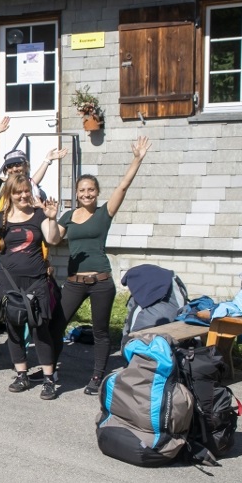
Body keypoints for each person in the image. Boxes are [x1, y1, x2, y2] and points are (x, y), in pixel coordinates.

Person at [57, 136, 150, 394]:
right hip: (74, 281)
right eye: (82, 190)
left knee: (100, 331)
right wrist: (49, 217)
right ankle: (50, 369)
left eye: (91, 190)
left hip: (100, 281)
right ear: (76, 193)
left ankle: (97, 376)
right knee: (56, 324)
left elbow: (123, 185)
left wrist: (137, 159)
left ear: (97, 192)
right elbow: (53, 238)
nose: (86, 193)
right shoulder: (68, 216)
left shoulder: (104, 212)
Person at [0, 175, 64, 399]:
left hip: (35, 281)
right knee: (14, 329)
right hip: (9, 282)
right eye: (18, 192)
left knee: (40, 329)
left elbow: (52, 239)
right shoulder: (0, 218)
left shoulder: (39, 215)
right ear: (10, 195)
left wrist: (53, 219)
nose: (23, 195)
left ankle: (48, 379)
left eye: (26, 191)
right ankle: (22, 374)